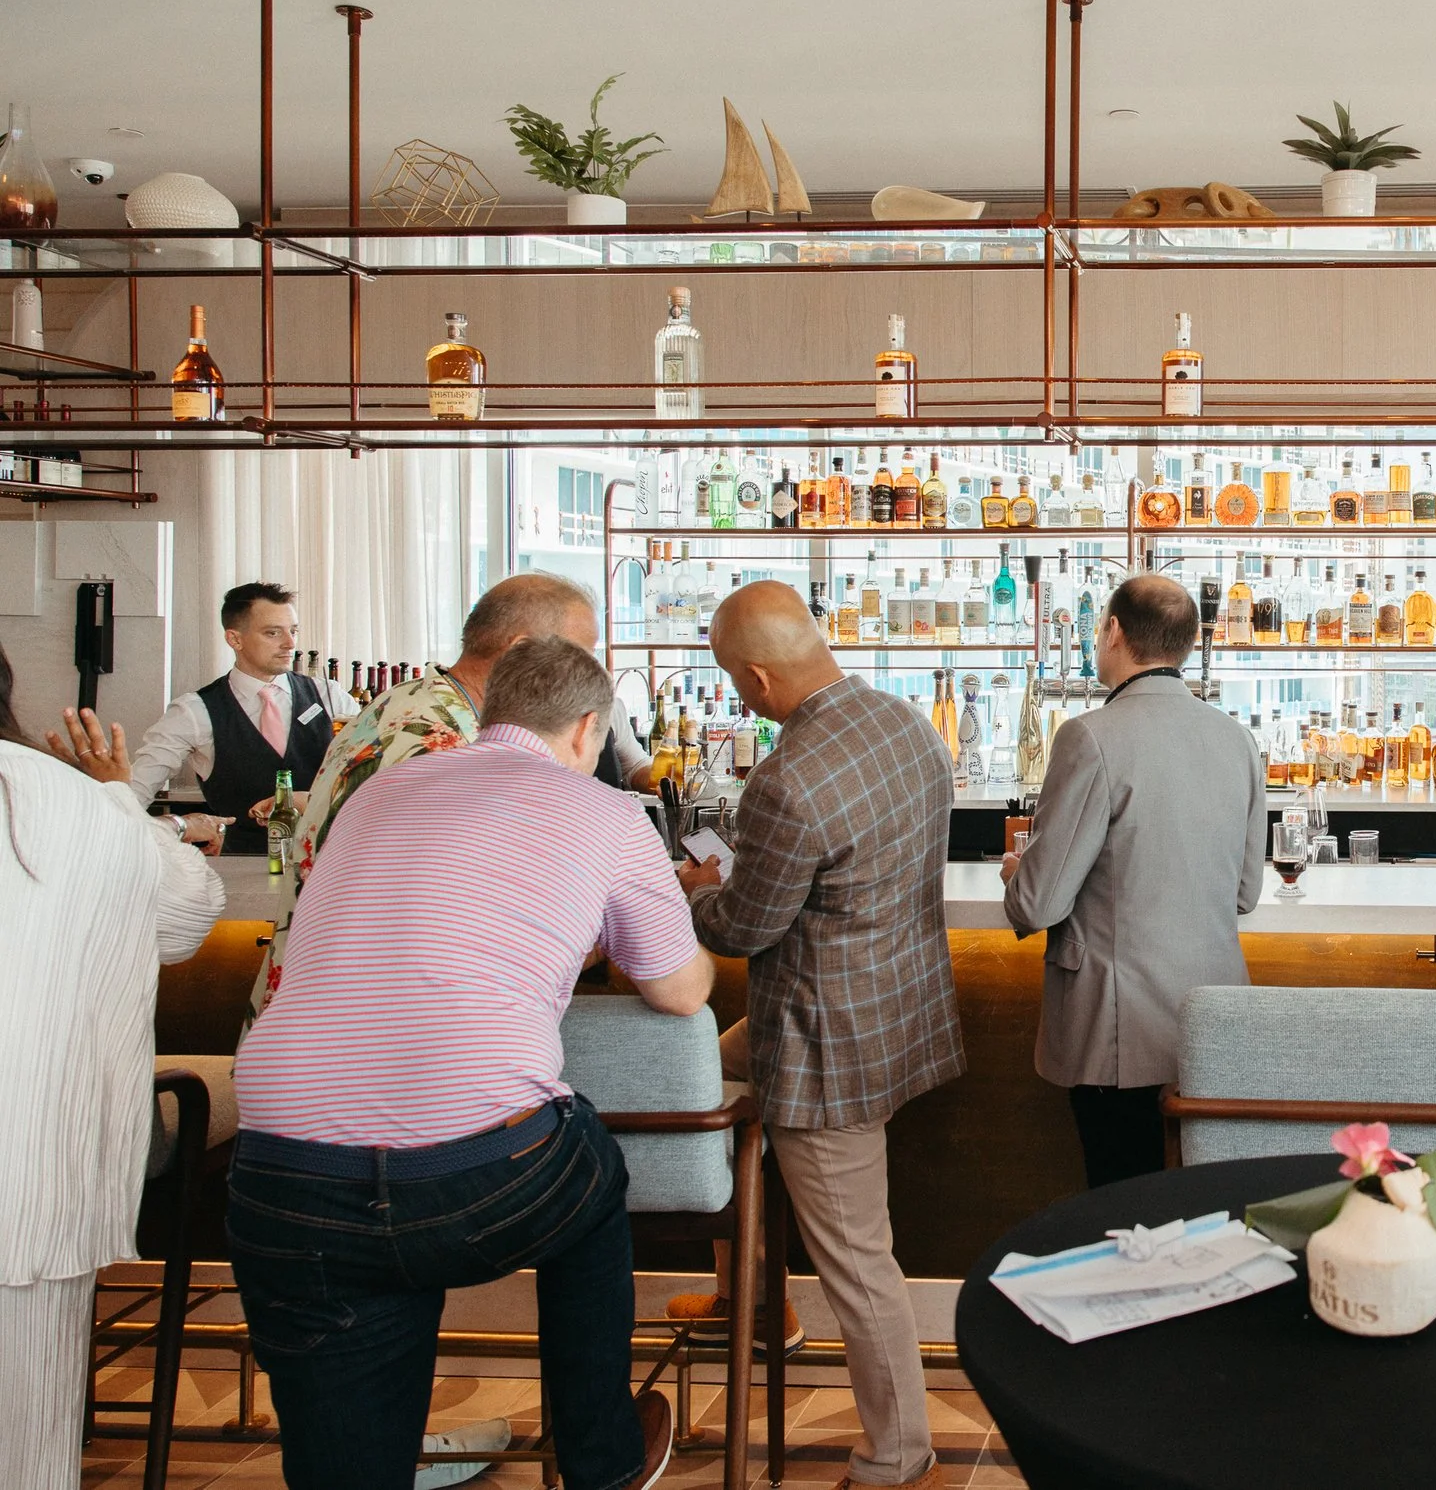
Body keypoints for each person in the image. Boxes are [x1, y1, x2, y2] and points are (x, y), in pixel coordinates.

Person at [229, 637, 711, 1490]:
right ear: (587, 728)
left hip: (282, 1173)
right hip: (479, 1183)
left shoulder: (381, 791)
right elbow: (679, 990)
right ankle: (601, 1457)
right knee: (592, 1169)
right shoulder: (607, 813)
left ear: (489, 710)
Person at [671, 579, 961, 1490]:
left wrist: (694, 892)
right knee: (689, 1075)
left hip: (821, 1044)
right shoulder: (907, 723)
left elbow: (744, 926)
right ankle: (750, 1298)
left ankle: (898, 1454)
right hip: (892, 1011)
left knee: (859, 1258)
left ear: (757, 678)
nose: (737, 694)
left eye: (734, 680)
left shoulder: (785, 777)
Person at [0, 648, 223, 1489]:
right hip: (33, 1172)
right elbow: (187, 919)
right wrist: (117, 794)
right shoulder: (78, 801)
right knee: (26, 1443)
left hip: (34, 1170)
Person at [1001, 571, 1267, 1188]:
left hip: (1118, 1034)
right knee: (1201, 1202)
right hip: (1214, 1024)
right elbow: (1245, 892)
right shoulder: (1237, 739)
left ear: (1114, 631)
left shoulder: (1089, 736)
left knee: (1124, 1204)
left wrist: (1019, 872)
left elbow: (1037, 904)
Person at [245, 570, 601, 1030]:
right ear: (519, 651)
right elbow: (467, 925)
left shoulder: (413, 703)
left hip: (321, 1020)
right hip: (368, 1032)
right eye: (579, 657)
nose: (589, 678)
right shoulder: (442, 743)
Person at [111, 583, 354, 856]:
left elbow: (376, 782)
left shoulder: (331, 697)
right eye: (273, 633)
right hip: (238, 869)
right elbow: (128, 802)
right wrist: (177, 826)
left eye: (293, 631)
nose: (290, 643)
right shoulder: (193, 712)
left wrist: (313, 801)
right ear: (235, 639)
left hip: (333, 864)